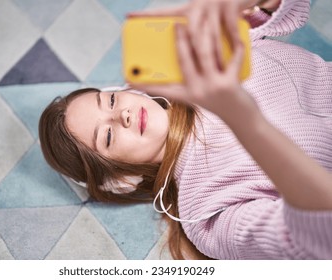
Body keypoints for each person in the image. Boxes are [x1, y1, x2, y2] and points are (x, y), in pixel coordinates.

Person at [38, 0, 332, 259]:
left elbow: (283, 13)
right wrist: (245, 122)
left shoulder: (194, 63)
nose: (123, 115)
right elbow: (315, 239)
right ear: (122, 179)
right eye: (108, 136)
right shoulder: (206, 215)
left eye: (111, 100)